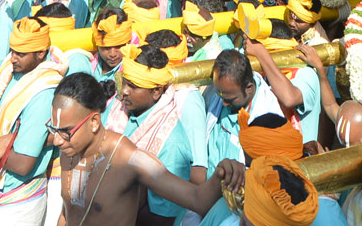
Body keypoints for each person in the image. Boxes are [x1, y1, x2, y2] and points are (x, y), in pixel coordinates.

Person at [48, 72, 246, 226]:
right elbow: (68, 213)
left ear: (93, 122)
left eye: (65, 131)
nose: (57, 140)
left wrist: (222, 173)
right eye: (54, 129)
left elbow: (197, 199)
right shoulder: (69, 148)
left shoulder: (128, 158)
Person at [0, 18, 63, 224]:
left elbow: (23, 163)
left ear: (40, 53)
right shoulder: (9, 71)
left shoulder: (44, 90)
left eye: (21, 53)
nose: (13, 58)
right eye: (12, 51)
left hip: (19, 196)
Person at [115, 44, 210, 225]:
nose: (124, 91)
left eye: (133, 86)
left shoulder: (170, 142)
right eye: (124, 82)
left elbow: (162, 218)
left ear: (156, 91)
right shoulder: (119, 112)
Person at [244, 19, 322, 143]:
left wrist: (262, 54)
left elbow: (289, 98)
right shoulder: (264, 76)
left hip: (301, 158)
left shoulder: (306, 74)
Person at [206, 49, 283, 171]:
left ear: (249, 88)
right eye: (220, 96)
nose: (224, 103)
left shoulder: (267, 122)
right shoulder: (222, 91)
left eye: (230, 99)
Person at [91, 8, 130, 81]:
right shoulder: (87, 64)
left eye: (118, 46)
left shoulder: (132, 71)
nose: (113, 54)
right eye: (106, 48)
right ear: (98, 46)